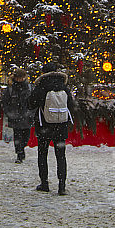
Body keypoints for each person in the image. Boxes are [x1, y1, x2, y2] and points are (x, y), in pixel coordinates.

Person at [28, 62, 76, 195]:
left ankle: (44, 183)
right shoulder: (64, 87)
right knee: (61, 155)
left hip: (45, 126)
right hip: (61, 126)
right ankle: (62, 186)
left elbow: (30, 104)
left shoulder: (41, 86)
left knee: (42, 154)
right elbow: (71, 106)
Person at [1, 67, 34, 163]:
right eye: (18, 77)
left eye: (21, 77)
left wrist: (31, 112)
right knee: (18, 136)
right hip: (15, 116)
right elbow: (5, 102)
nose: (19, 79)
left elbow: (34, 101)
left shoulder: (29, 88)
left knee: (26, 137)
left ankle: (21, 149)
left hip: (27, 116)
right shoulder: (10, 89)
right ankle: (19, 154)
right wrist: (9, 113)